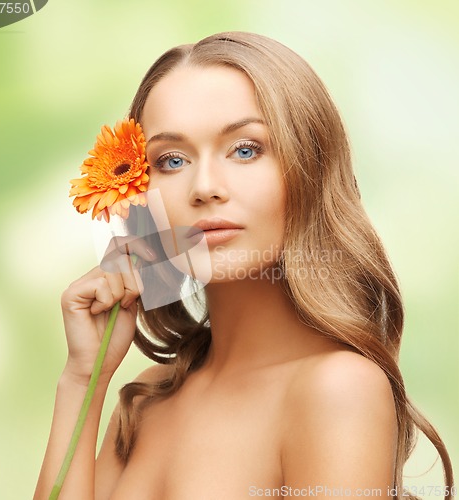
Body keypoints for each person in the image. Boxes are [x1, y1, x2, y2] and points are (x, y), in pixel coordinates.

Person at [34, 32, 454, 499]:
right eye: (172, 160)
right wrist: (82, 380)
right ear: (140, 195)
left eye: (246, 149)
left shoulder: (337, 390)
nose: (205, 186)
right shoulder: (148, 396)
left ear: (309, 171)